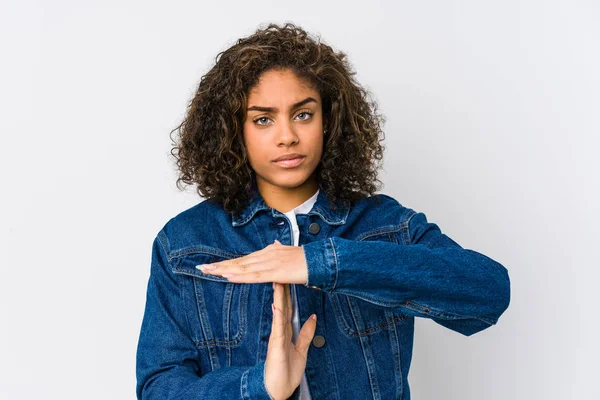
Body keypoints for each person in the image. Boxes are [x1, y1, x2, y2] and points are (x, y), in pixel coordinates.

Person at [135, 22, 511, 400]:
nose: (287, 136)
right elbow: (159, 388)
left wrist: (322, 263)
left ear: (329, 121)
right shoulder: (185, 243)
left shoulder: (384, 225)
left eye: (303, 114)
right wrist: (261, 386)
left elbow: (488, 292)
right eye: (263, 119)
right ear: (235, 130)